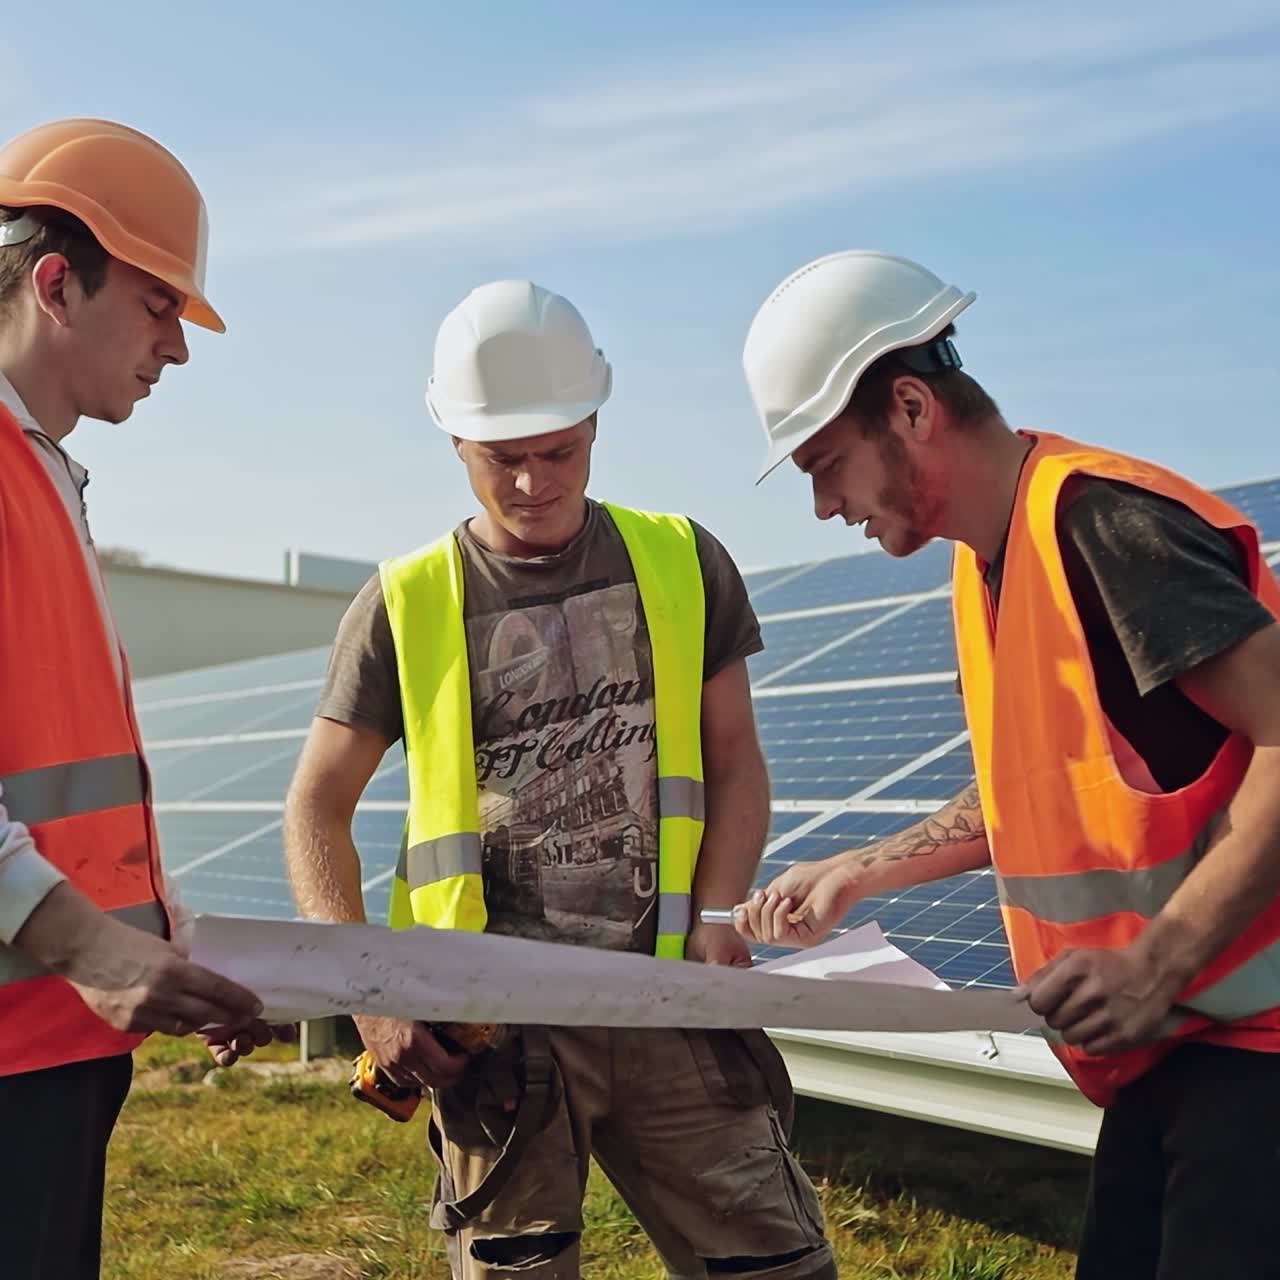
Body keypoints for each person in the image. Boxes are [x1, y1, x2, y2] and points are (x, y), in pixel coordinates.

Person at [734, 249, 1280, 1279]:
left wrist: (1152, 960)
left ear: (907, 407)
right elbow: (1040, 784)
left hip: (1250, 1048)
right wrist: (862, 867)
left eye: (820, 465)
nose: (819, 506)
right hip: (1168, 1047)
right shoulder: (987, 562)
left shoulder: (1103, 525)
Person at [284, 279, 837, 1280]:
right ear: (453, 440)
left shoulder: (680, 560)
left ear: (594, 422)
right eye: (502, 458)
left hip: (667, 1002)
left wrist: (717, 910)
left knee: (776, 1265)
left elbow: (734, 759)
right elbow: (316, 803)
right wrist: (366, 988)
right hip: (497, 1035)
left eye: (559, 451)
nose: (533, 482)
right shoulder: (404, 601)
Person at [0, 118, 277, 1279]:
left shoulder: (42, 472)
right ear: (59, 284)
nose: (177, 347)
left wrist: (147, 949)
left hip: (48, 1050)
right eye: (161, 306)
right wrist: (95, 951)